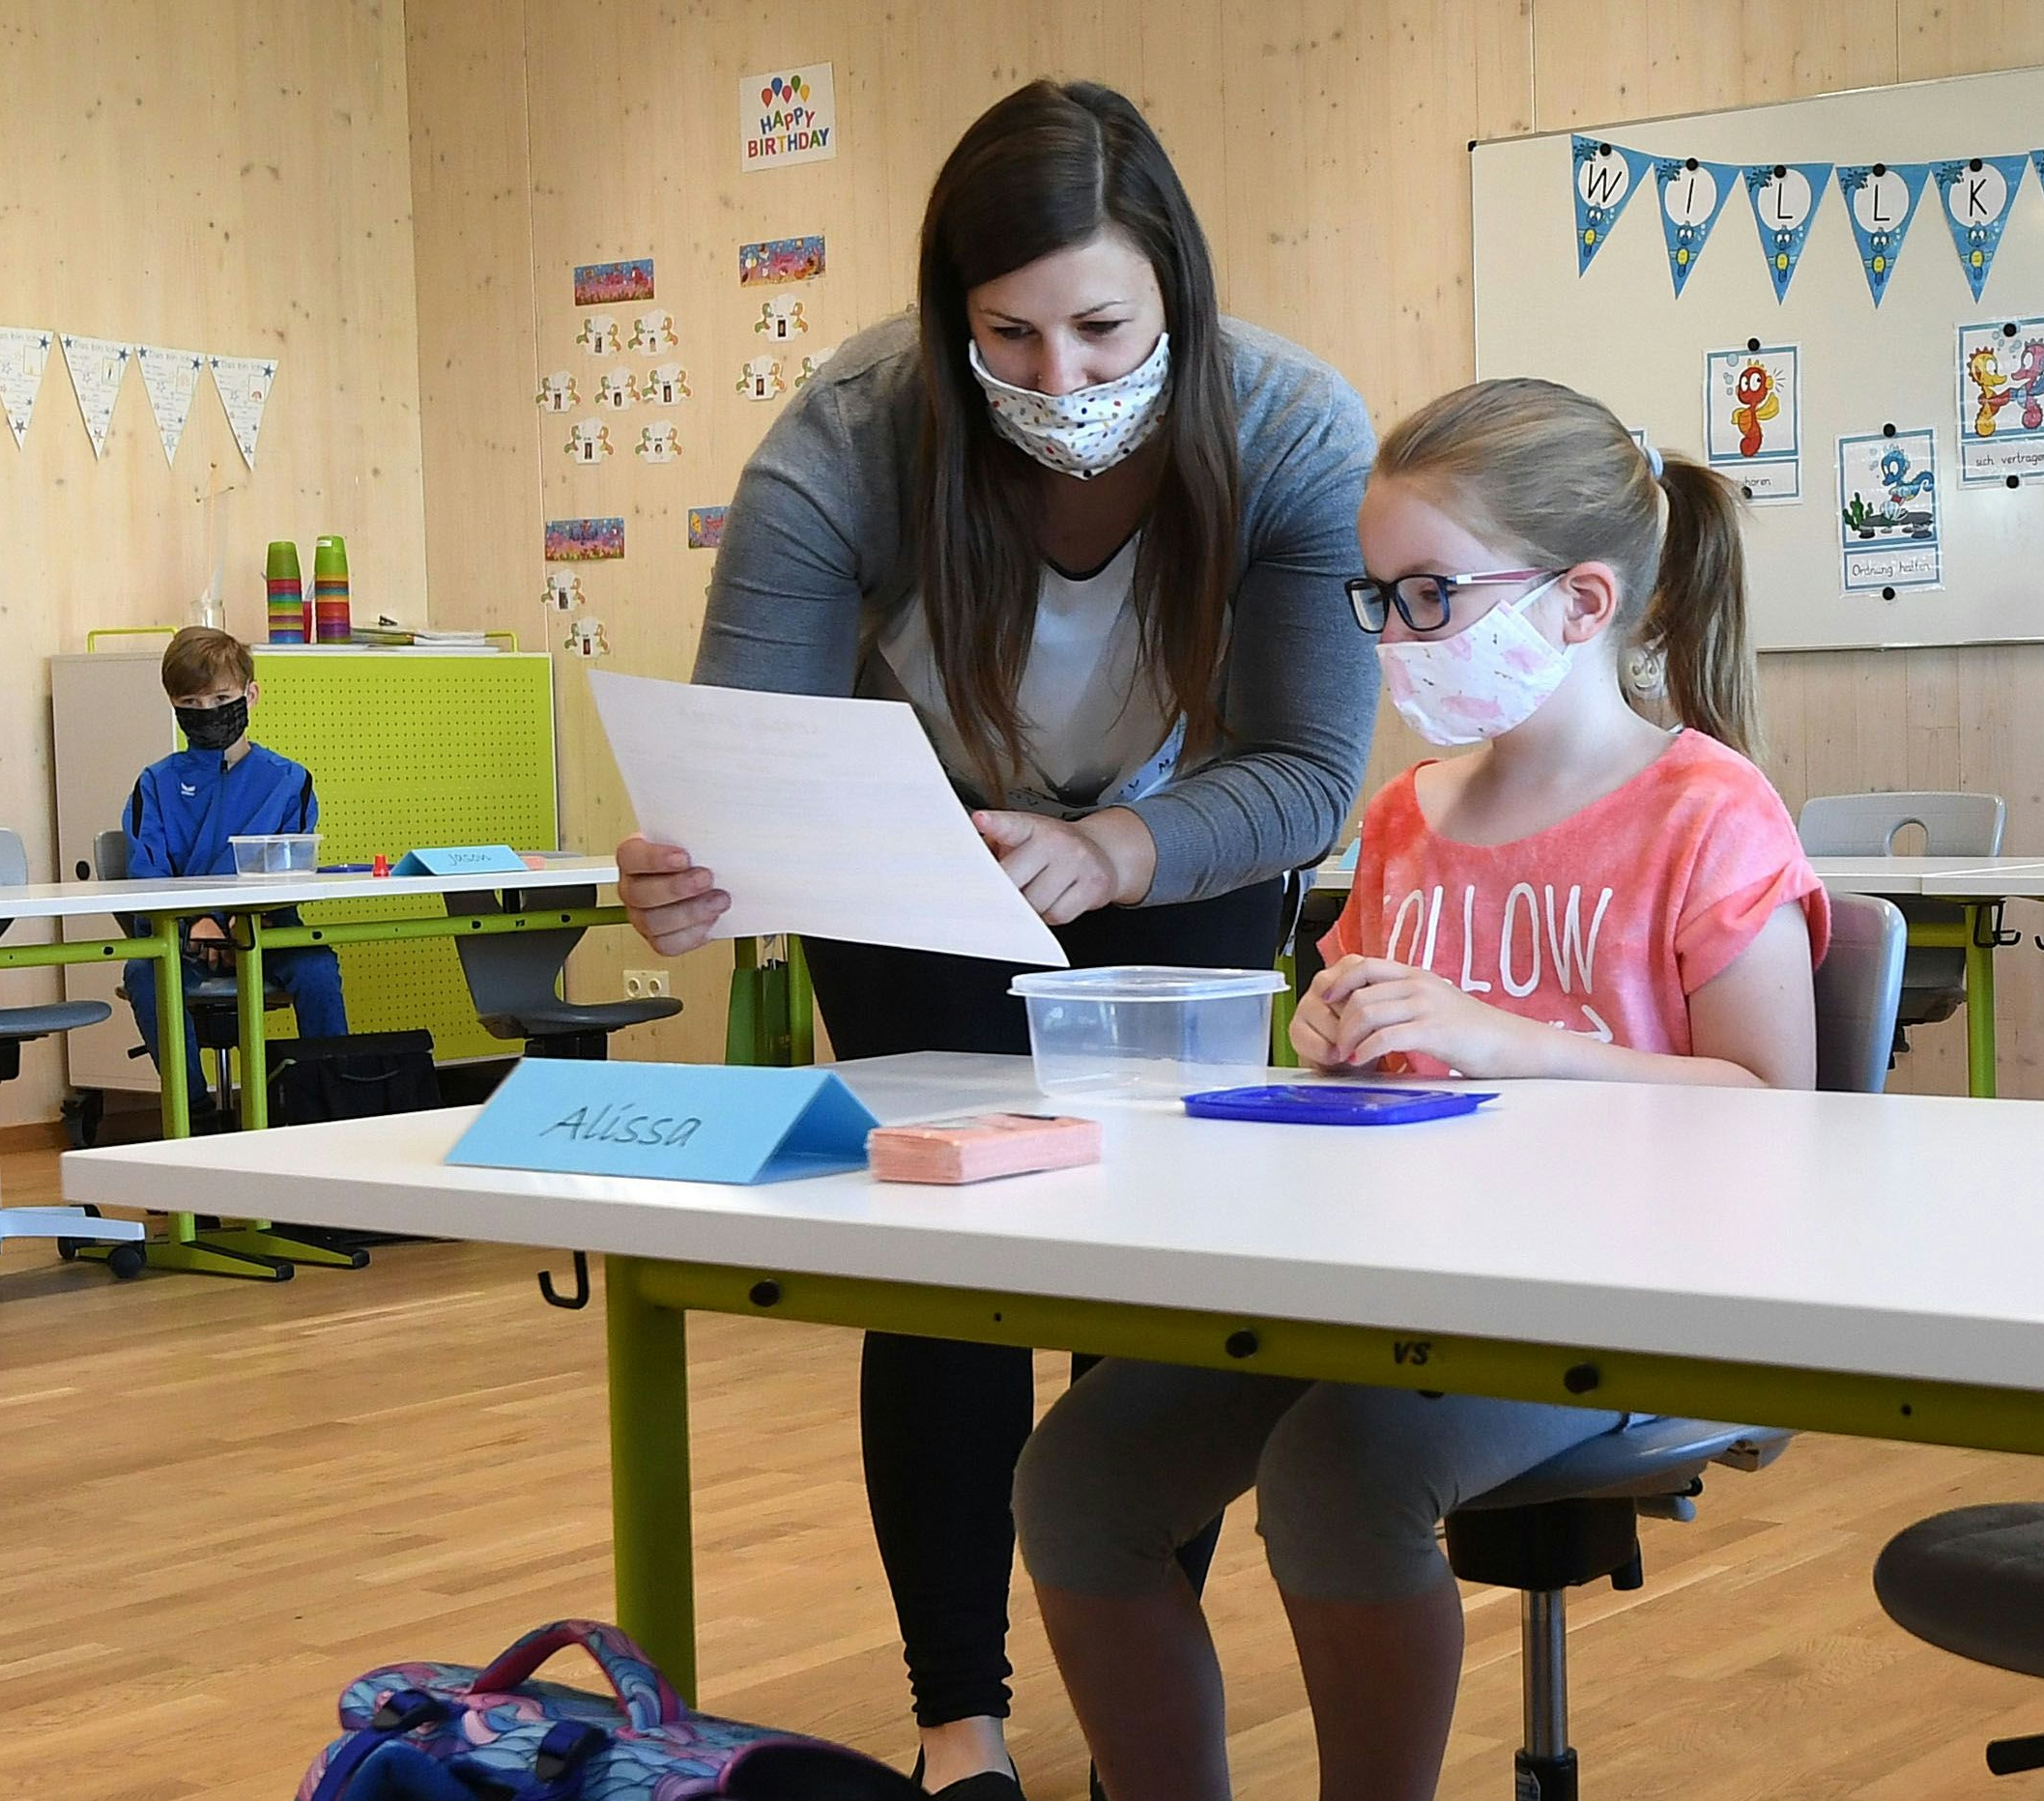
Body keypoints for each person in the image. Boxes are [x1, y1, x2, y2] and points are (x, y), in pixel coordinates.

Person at [614, 80, 1377, 1799]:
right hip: (917, 855)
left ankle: (1133, 1716)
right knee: (947, 1276)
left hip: (1181, 840)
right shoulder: (846, 438)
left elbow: (1310, 772)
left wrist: (1115, 841)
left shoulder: (1292, 430)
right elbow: (756, 751)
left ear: (1171, 287)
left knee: (1149, 1289)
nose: (1062, 379)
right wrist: (699, 867)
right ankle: (959, 1720)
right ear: (945, 318)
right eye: (1007, 336)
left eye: (1103, 326)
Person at [1012, 378, 1828, 1801]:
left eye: (1430, 594)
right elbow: (1394, 1056)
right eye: (1377, 596)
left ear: (1579, 604)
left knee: (1344, 1474)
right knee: (1078, 1480)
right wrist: (1335, 1031)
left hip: (1617, 1292)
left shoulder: (1708, 810)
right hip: (1394, 1282)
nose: (1394, 636)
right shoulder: (1405, 815)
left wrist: (1502, 1039)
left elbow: (1774, 1102)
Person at [118, 627, 346, 1116]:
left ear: (251, 694)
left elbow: (289, 866)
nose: (208, 712)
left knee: (317, 968)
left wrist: (242, 920)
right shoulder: (155, 785)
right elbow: (147, 871)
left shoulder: (289, 780)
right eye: (191, 703)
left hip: (267, 926)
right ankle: (193, 1109)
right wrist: (196, 919)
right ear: (175, 707)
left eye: (221, 698)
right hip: (181, 935)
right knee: (144, 974)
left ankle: (332, 1101)